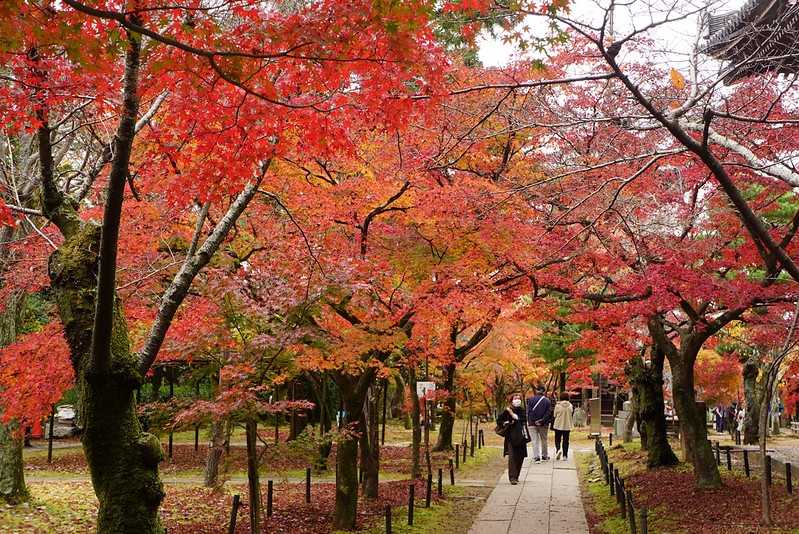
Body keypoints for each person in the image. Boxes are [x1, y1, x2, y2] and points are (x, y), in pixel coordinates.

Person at [497, 393, 530, 484]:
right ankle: (512, 477)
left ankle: (516, 475)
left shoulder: (522, 410)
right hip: (510, 437)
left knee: (520, 457)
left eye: (519, 398)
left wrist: (512, 414)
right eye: (515, 398)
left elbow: (522, 419)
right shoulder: (506, 410)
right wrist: (506, 422)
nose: (517, 400)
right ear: (511, 400)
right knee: (512, 457)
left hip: (521, 437)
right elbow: (499, 421)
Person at [527, 385, 552, 462]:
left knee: (534, 440)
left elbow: (529, 412)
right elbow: (548, 413)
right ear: (544, 391)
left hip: (532, 423)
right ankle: (544, 456)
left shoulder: (530, 400)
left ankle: (536, 457)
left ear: (536, 390)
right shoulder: (547, 401)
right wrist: (541, 421)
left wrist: (534, 420)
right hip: (543, 424)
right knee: (544, 439)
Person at [553, 392, 574, 460]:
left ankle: (558, 449)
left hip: (558, 425)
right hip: (567, 425)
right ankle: (565, 455)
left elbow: (554, 415)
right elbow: (571, 413)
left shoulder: (558, 405)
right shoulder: (570, 405)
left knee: (557, 439)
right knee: (566, 440)